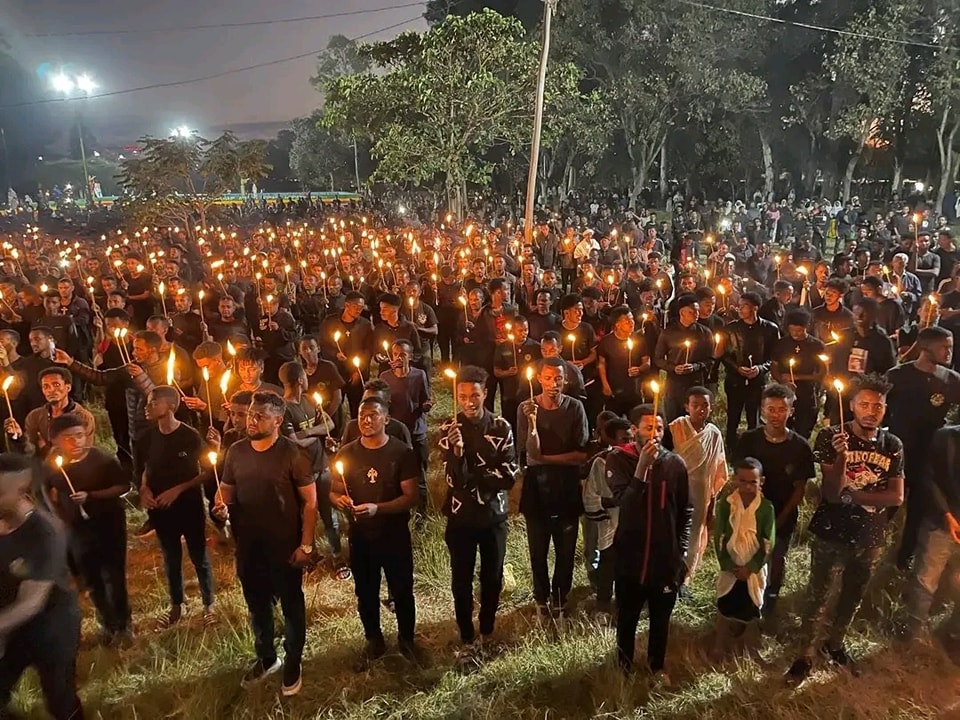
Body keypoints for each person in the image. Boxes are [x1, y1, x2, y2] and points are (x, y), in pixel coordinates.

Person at [786, 373, 904, 683]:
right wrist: (841, 460)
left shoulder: (892, 445)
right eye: (864, 404)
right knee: (817, 595)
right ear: (851, 405)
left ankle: (835, 644)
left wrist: (854, 495)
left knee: (853, 594)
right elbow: (831, 494)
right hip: (831, 529)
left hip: (870, 534)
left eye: (877, 406)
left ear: (885, 408)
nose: (871, 411)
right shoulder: (831, 437)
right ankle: (805, 654)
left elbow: (897, 495)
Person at [217, 391, 317, 696]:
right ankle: (267, 657)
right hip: (248, 544)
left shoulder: (293, 454)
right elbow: (226, 492)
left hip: (283, 544)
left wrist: (307, 545)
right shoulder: (235, 452)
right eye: (249, 414)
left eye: (259, 415)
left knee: (290, 604)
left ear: (277, 420)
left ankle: (293, 659)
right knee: (257, 604)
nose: (251, 420)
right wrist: (220, 508)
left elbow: (310, 502)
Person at [330, 396, 421, 670]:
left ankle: (407, 641)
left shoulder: (401, 453)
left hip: (393, 535)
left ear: (386, 419)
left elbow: (411, 496)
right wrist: (339, 500)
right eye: (362, 415)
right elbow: (334, 489)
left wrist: (377, 509)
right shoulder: (346, 453)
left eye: (373, 415)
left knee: (402, 590)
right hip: (361, 537)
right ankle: (374, 641)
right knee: (366, 592)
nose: (366, 421)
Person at [606, 404, 692, 680]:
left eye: (659, 428)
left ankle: (656, 667)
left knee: (660, 619)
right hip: (630, 557)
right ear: (634, 430)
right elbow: (626, 504)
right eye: (647, 428)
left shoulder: (675, 464)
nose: (654, 434)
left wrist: (682, 550)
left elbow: (685, 511)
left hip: (663, 559)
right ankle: (624, 666)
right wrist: (642, 468)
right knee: (627, 617)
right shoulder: (619, 460)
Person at [439, 365, 518, 658]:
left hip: (493, 517)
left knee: (493, 576)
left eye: (475, 395)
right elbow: (452, 481)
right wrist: (458, 454)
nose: (469, 402)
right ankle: (466, 633)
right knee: (461, 578)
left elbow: (509, 475)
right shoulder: (449, 429)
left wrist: (474, 474)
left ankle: (487, 627)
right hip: (461, 517)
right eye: (463, 396)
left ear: (485, 394)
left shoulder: (501, 428)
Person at [0, 453, 84, 720]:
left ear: (22, 494)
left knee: (60, 699)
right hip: (10, 624)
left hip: (52, 627)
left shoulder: (44, 534)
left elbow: (30, 601)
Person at [734, 384, 815, 628]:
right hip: (749, 514)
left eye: (782, 409)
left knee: (776, 558)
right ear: (762, 410)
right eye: (771, 409)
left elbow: (800, 487)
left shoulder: (800, 447)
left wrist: (778, 519)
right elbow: (738, 478)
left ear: (791, 411)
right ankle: (743, 605)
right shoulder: (749, 440)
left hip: (782, 514)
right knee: (746, 558)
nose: (775, 415)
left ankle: (769, 602)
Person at [47, 413, 132, 646]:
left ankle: (124, 626)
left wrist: (91, 496)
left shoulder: (101, 460)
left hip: (108, 525)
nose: (77, 442)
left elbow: (123, 485)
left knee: (114, 577)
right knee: (92, 579)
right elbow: (49, 492)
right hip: (77, 530)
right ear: (54, 440)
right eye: (69, 438)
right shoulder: (53, 464)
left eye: (80, 436)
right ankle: (108, 623)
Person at [137, 386, 215, 629]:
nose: (147, 407)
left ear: (171, 405)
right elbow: (143, 470)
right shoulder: (146, 438)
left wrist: (179, 489)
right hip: (161, 508)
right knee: (171, 557)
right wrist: (144, 490)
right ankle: (176, 605)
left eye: (153, 402)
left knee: (198, 555)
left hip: (188, 505)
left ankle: (208, 603)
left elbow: (207, 471)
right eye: (147, 403)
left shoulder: (190, 436)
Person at [517, 357, 589, 617]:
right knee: (538, 548)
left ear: (565, 380)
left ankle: (560, 596)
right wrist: (533, 423)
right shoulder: (526, 408)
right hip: (538, 487)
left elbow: (581, 454)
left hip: (566, 487)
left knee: (566, 548)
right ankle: (541, 597)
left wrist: (547, 459)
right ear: (539, 379)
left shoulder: (575, 408)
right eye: (548, 378)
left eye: (558, 378)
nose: (553, 384)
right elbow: (529, 453)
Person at [885, 326, 960, 571]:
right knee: (887, 506)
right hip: (897, 454)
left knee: (918, 510)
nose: (950, 352)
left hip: (929, 458)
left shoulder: (952, 380)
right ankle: (867, 548)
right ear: (925, 347)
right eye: (944, 347)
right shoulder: (897, 376)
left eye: (951, 346)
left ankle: (904, 557)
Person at [899, 423, 960, 647]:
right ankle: (915, 634)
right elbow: (929, 478)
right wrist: (946, 514)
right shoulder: (947, 437)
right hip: (941, 521)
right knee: (926, 578)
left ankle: (955, 632)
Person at [711, 458, 776, 659]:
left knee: (751, 607)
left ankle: (748, 650)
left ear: (761, 481)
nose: (748, 487)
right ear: (735, 480)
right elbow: (719, 536)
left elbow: (768, 542)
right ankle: (719, 647)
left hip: (752, 568)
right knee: (726, 604)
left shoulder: (766, 508)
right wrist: (728, 564)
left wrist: (752, 567)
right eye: (743, 481)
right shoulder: (726, 504)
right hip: (731, 565)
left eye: (753, 482)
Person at [667, 386, 726, 597]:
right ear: (686, 407)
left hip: (701, 495)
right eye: (695, 405)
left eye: (705, 405)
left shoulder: (714, 434)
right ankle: (667, 578)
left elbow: (719, 469)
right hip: (676, 492)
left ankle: (684, 580)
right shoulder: (674, 429)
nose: (700, 410)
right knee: (672, 534)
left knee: (693, 537)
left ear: (711, 408)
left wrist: (712, 501)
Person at [582, 417, 634, 616]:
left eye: (630, 438)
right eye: (623, 439)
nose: (628, 443)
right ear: (612, 441)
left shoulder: (638, 460)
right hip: (611, 524)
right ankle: (603, 606)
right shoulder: (601, 463)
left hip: (632, 525)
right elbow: (592, 495)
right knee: (608, 565)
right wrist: (609, 505)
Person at [720, 292, 781, 452]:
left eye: (744, 306)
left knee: (754, 416)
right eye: (739, 306)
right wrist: (737, 368)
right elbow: (725, 355)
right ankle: (731, 448)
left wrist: (760, 369)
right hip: (735, 380)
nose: (739, 309)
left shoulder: (770, 329)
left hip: (757, 381)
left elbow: (773, 356)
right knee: (733, 415)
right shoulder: (731, 329)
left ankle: (755, 448)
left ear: (755, 307)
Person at [379, 339, 432, 520]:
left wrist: (426, 405)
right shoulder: (385, 377)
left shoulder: (419, 375)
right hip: (396, 435)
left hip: (416, 432)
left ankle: (421, 515)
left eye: (403, 354)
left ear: (410, 356)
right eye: (395, 354)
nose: (399, 358)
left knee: (420, 475)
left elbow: (425, 398)